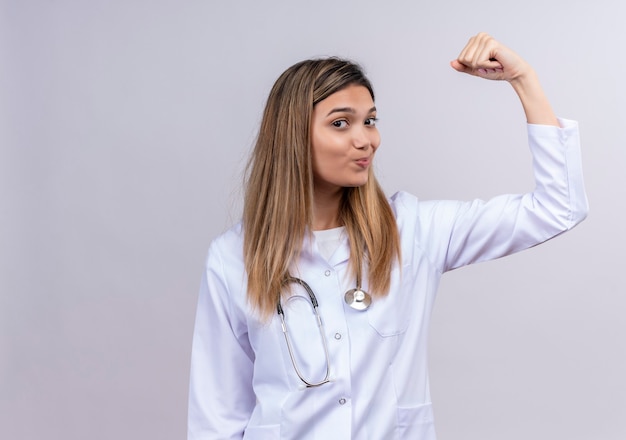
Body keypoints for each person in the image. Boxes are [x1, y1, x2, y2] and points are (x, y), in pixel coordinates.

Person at [187, 33, 588, 439]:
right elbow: (216, 418)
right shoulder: (233, 257)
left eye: (370, 121)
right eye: (341, 123)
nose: (366, 140)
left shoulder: (413, 231)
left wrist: (523, 79)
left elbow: (559, 207)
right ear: (293, 136)